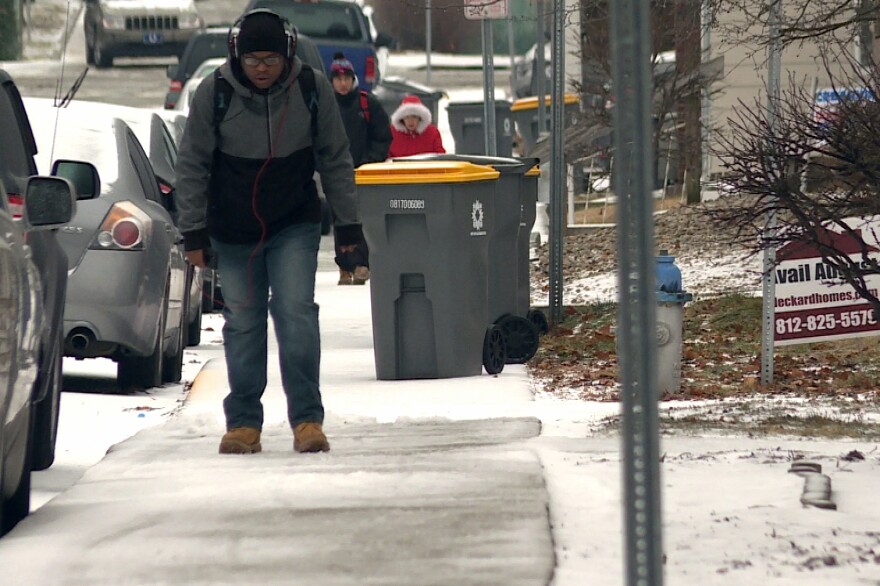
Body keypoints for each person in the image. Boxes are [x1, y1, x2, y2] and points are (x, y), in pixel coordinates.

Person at [174, 9, 363, 455]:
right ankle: (243, 423)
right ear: (237, 56)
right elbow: (192, 165)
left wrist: (349, 225)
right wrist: (193, 232)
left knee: (296, 313)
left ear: (288, 55)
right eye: (253, 59)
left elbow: (335, 158)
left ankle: (307, 420)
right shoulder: (213, 93)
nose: (261, 68)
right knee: (243, 322)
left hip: (293, 222)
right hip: (232, 229)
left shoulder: (310, 88)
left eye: (271, 59)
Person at [329, 51, 392, 285]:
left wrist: (371, 160)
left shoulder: (367, 103)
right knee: (341, 218)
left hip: (365, 172)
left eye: (346, 78)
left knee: (364, 218)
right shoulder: (327, 105)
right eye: (338, 79)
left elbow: (383, 136)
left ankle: (361, 263)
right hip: (337, 172)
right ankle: (344, 265)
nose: (342, 84)